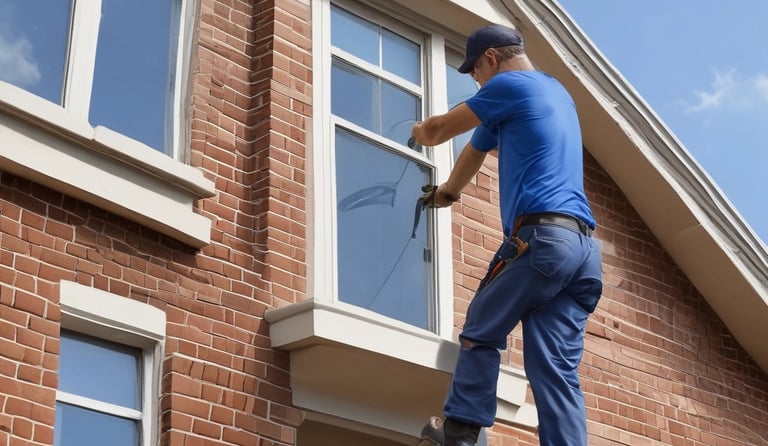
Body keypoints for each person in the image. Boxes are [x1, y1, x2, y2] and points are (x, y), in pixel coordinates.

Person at [410, 24, 603, 446]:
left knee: (482, 327)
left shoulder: (512, 85)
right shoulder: (554, 93)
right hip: (583, 253)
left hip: (541, 241)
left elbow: (441, 130)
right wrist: (448, 192)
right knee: (555, 369)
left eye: (475, 71)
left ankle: (459, 434)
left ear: (492, 59)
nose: (476, 81)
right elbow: (476, 149)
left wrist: (420, 130)